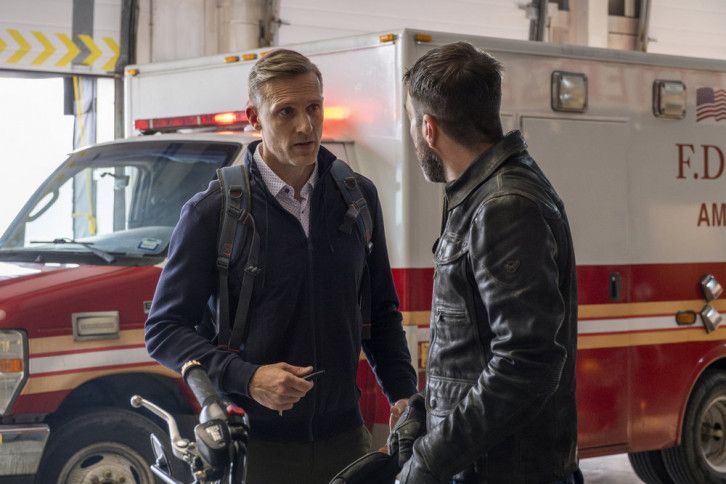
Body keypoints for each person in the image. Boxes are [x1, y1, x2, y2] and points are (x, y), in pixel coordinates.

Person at [145, 49, 417, 484]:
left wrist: (403, 393)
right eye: (285, 112)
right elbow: (163, 330)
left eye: (313, 108)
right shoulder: (212, 213)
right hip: (256, 449)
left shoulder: (357, 198)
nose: (305, 126)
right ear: (254, 118)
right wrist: (247, 378)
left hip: (347, 443)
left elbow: (380, 314)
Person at [390, 42, 580, 483]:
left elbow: (524, 362)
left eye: (412, 124)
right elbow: (474, 347)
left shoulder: (504, 205)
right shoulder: (483, 194)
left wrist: (429, 462)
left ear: (429, 128)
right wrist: (425, 410)